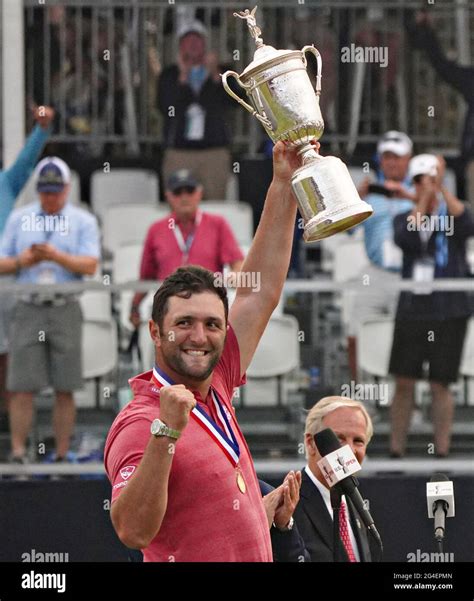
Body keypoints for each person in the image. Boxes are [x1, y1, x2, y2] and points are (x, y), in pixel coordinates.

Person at [104, 140, 318, 561]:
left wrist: (283, 184)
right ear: (155, 331)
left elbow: (259, 294)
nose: (199, 336)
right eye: (183, 323)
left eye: (212, 324)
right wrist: (165, 431)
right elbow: (131, 529)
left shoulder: (216, 383)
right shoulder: (140, 423)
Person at [0, 156, 100, 463]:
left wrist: (56, 257)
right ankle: (18, 452)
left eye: (55, 191)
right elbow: (2, 262)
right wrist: (23, 262)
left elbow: (90, 264)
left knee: (65, 386)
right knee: (21, 387)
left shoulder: (83, 220)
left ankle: (60, 453)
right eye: (45, 191)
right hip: (28, 306)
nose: (50, 197)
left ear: (67, 189)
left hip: (64, 305)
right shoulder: (20, 218)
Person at [389, 154, 474, 458]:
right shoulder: (404, 217)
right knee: (403, 380)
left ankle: (442, 451)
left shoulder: (452, 215)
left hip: (449, 309)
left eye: (430, 180)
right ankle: (396, 449)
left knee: (441, 383)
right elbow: (406, 238)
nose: (426, 186)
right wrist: (421, 202)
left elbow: (468, 223)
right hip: (413, 309)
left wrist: (441, 190)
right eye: (420, 181)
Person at [129, 168, 244, 327]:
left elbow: (237, 265)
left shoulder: (217, 224)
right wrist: (134, 306)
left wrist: (233, 278)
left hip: (207, 305)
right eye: (178, 192)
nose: (184, 197)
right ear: (167, 195)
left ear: (199, 193)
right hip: (169, 307)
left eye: (189, 191)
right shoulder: (157, 229)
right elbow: (146, 278)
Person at [0, 105, 55, 431]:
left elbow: (25, 162)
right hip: (13, 271)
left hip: (8, 290)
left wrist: (42, 129)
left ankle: (7, 425)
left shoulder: (5, 183)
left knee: (8, 357)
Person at [347, 131, 416, 379]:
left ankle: (409, 401)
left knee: (411, 335)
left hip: (411, 272)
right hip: (375, 273)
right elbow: (345, 230)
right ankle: (360, 395)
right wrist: (356, 198)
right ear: (380, 160)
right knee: (355, 331)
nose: (392, 162)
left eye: (397, 157)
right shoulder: (370, 195)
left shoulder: (422, 192)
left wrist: (410, 196)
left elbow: (441, 220)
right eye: (387, 157)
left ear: (408, 159)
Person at [293, 396, 381, 562]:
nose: (349, 449)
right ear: (311, 443)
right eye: (338, 439)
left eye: (358, 441)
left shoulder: (357, 505)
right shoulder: (289, 505)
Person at [157, 20, 235, 200]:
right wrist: (182, 77)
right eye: (187, 41)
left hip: (213, 152)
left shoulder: (223, 73)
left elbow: (235, 102)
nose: (192, 45)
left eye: (197, 40)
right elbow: (165, 107)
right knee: (179, 202)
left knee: (215, 202)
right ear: (180, 46)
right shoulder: (169, 75)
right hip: (179, 152)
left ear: (205, 45)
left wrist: (215, 74)